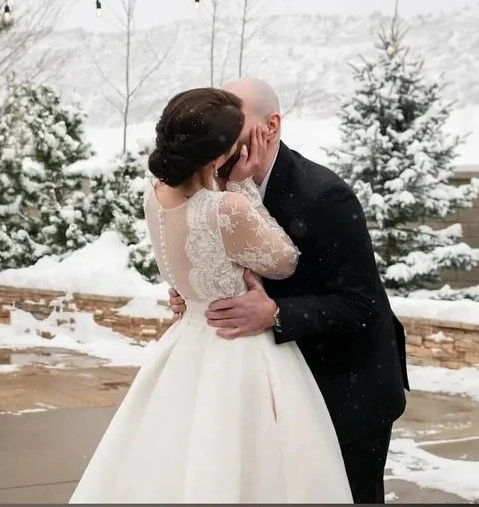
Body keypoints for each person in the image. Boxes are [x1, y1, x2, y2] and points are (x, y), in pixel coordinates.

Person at [69, 87, 353, 503]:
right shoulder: (227, 208)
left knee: (173, 459)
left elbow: (189, 261)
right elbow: (284, 261)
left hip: (186, 343)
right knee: (246, 462)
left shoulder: (154, 196)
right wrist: (240, 187)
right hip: (237, 351)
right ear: (218, 156)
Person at [168, 78, 410, 504]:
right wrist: (194, 293)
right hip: (274, 393)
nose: (222, 133)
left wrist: (275, 313)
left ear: (271, 125)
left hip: (346, 390)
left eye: (234, 121)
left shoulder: (326, 196)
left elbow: (361, 305)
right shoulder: (214, 185)